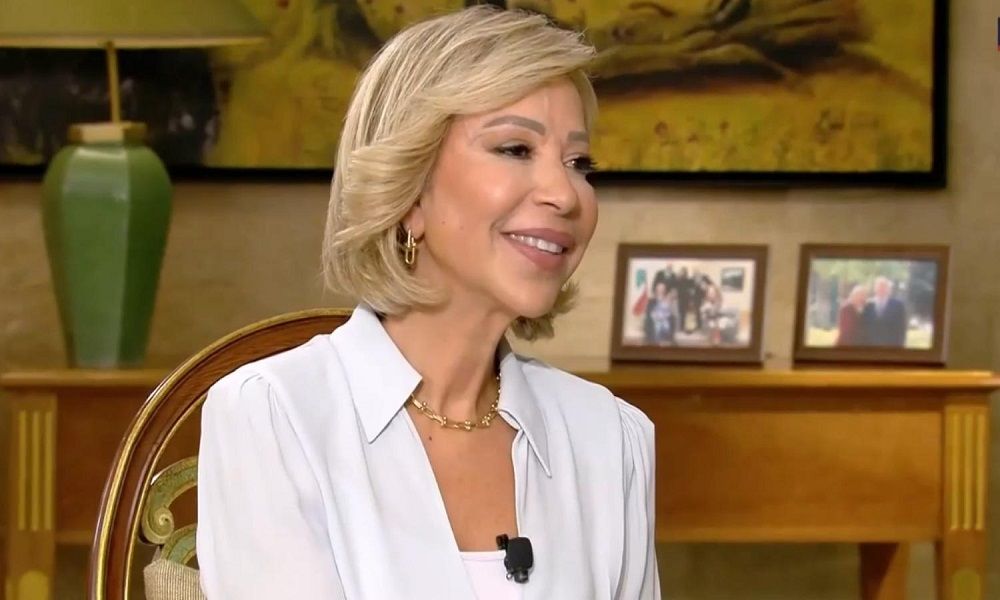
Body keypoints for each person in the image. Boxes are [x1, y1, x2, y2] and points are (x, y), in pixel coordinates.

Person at [196, 7, 659, 600]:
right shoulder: (274, 415)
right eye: (516, 148)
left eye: (579, 163)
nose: (565, 195)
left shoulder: (612, 436)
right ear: (408, 188)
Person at [861, 276, 907, 347]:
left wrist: (899, 347)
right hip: (871, 346)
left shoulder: (898, 305)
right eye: (879, 286)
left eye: (884, 286)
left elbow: (901, 328)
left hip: (891, 346)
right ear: (875, 289)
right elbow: (863, 327)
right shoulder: (867, 304)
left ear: (889, 289)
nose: (881, 289)